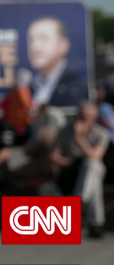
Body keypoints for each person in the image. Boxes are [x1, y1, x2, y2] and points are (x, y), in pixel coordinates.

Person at [52, 102, 109, 238]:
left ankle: (79, 201)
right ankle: (96, 224)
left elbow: (95, 156)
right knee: (93, 183)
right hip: (71, 170)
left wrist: (79, 138)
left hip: (92, 168)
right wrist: (64, 161)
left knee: (91, 166)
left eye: (84, 118)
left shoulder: (101, 133)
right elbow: (54, 154)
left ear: (93, 119)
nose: (79, 120)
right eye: (79, 116)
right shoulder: (65, 131)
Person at [27, 17, 87, 107]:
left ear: (63, 45)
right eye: (31, 40)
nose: (35, 46)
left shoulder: (77, 86)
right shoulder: (30, 87)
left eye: (43, 39)